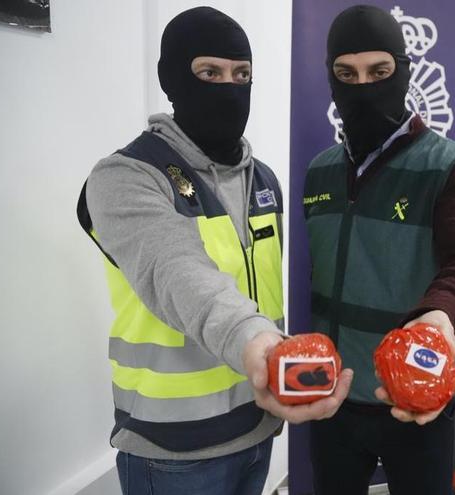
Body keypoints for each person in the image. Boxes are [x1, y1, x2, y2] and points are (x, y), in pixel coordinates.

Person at [77, 7, 352, 494]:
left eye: (241, 74)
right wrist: (258, 343)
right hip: (175, 455)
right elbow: (176, 271)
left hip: (259, 429)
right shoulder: (125, 177)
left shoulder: (264, 180)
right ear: (172, 78)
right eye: (209, 72)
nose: (229, 87)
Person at [303, 5, 455, 495]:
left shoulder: (451, 167)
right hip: (333, 397)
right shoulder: (320, 171)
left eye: (379, 72)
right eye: (346, 74)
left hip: (416, 400)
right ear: (330, 78)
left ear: (403, 73)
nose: (363, 87)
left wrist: (438, 319)